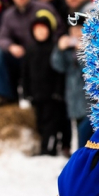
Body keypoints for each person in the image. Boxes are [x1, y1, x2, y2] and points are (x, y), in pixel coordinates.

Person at [0, 0, 62, 107]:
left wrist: (45, 46)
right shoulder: (9, 15)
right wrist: (11, 47)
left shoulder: (43, 8)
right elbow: (1, 38)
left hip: (42, 54)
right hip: (22, 55)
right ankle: (6, 96)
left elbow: (59, 30)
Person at [22, 12, 67, 155]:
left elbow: (59, 72)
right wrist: (26, 91)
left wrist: (58, 91)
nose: (40, 32)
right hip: (36, 93)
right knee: (39, 121)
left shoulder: (54, 48)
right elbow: (24, 73)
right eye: (37, 30)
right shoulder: (30, 49)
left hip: (51, 95)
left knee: (51, 122)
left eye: (43, 29)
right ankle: (43, 145)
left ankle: (49, 148)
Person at [51, 14, 92, 150]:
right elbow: (58, 66)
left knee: (85, 131)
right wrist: (59, 49)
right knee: (80, 131)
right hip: (74, 98)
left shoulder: (94, 46)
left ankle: (83, 159)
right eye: (73, 31)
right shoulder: (68, 51)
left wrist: (83, 52)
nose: (76, 34)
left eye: (79, 29)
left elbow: (91, 69)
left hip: (91, 99)